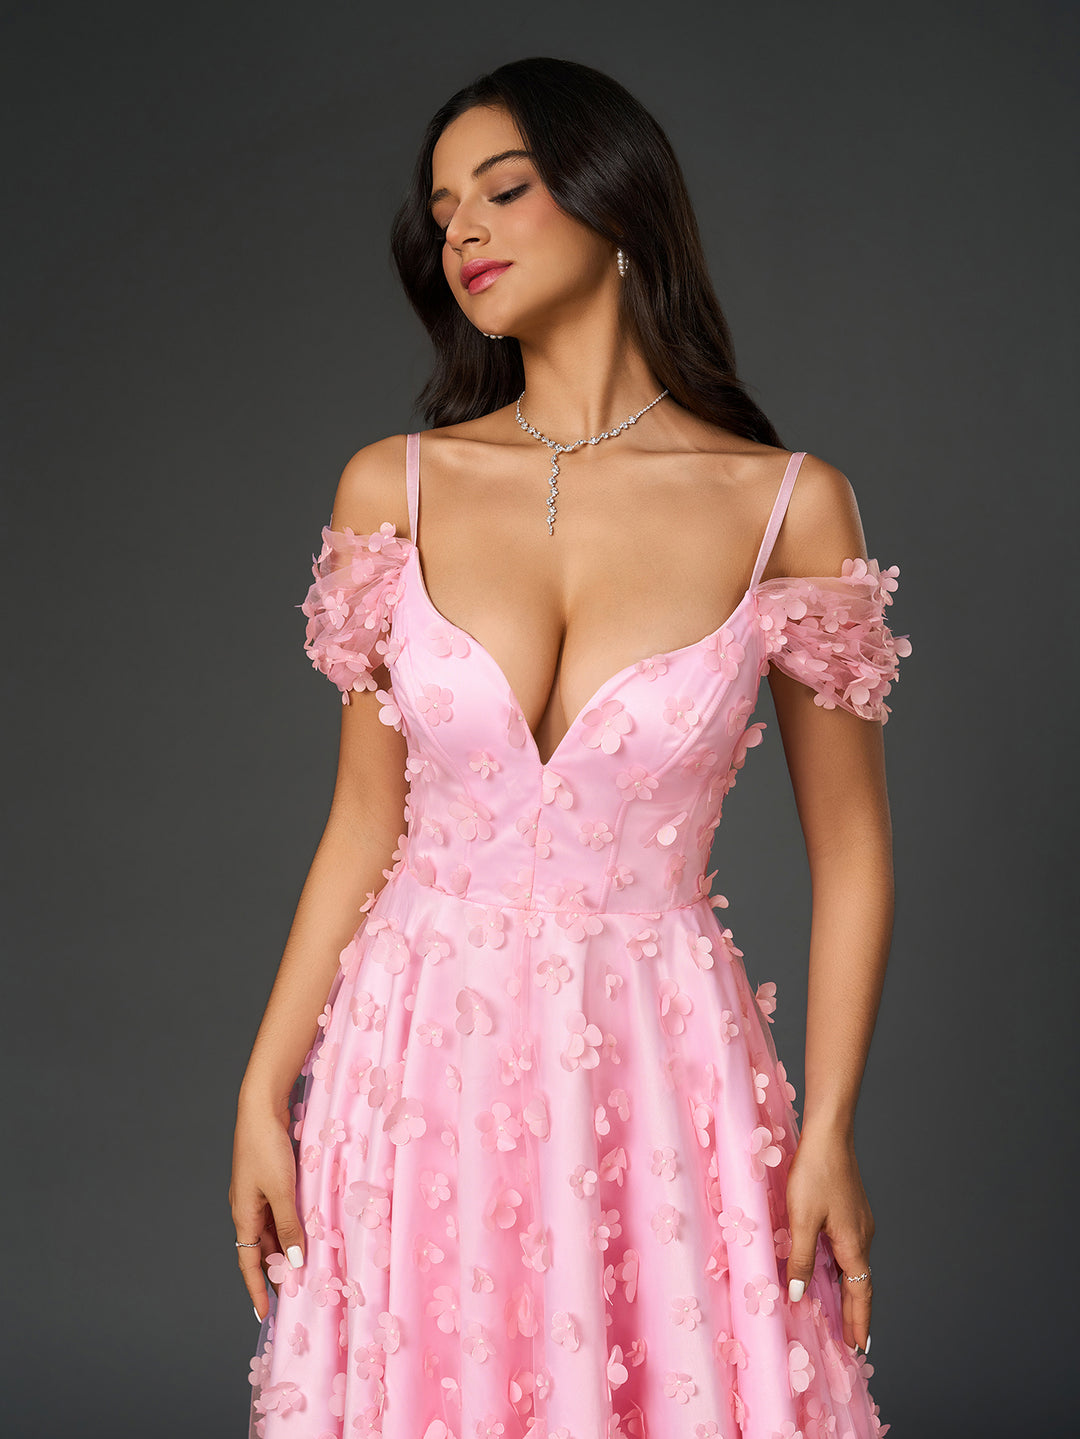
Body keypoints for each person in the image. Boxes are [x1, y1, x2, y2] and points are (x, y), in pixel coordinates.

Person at [230, 55, 909, 1439]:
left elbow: (851, 853)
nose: (462, 233)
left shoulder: (785, 506)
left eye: (503, 190)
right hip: (416, 1059)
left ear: (615, 202)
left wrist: (830, 1125)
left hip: (656, 1067)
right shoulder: (394, 488)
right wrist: (260, 1085)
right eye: (443, 212)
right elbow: (363, 823)